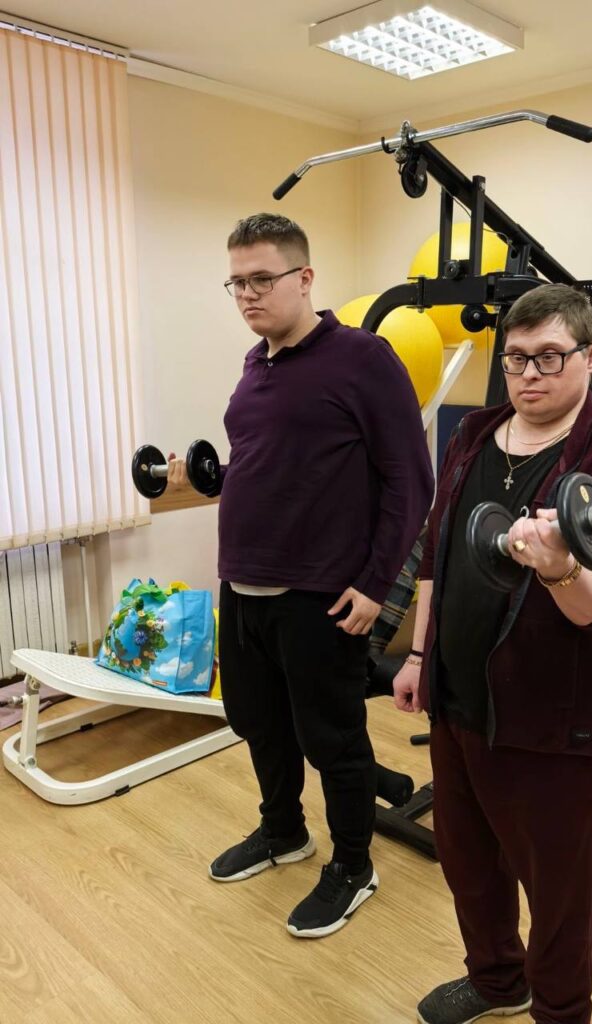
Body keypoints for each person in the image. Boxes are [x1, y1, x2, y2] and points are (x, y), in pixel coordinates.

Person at [393, 283, 592, 1024]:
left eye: (549, 356)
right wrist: (417, 656)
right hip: (457, 700)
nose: (529, 375)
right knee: (469, 864)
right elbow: (436, 553)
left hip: (552, 725)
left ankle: (561, 1012)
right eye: (516, 358)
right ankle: (496, 981)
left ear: (591, 356)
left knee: (558, 891)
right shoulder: (473, 435)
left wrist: (560, 569)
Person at [168, 213, 433, 938]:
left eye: (262, 278)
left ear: (305, 277)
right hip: (243, 583)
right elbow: (271, 463)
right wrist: (208, 477)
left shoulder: (364, 358)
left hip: (320, 594)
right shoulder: (256, 365)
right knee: (256, 721)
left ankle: (353, 865)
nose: (247, 295)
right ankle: (283, 830)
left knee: (333, 740)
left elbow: (411, 481)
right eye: (236, 283)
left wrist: (376, 585)